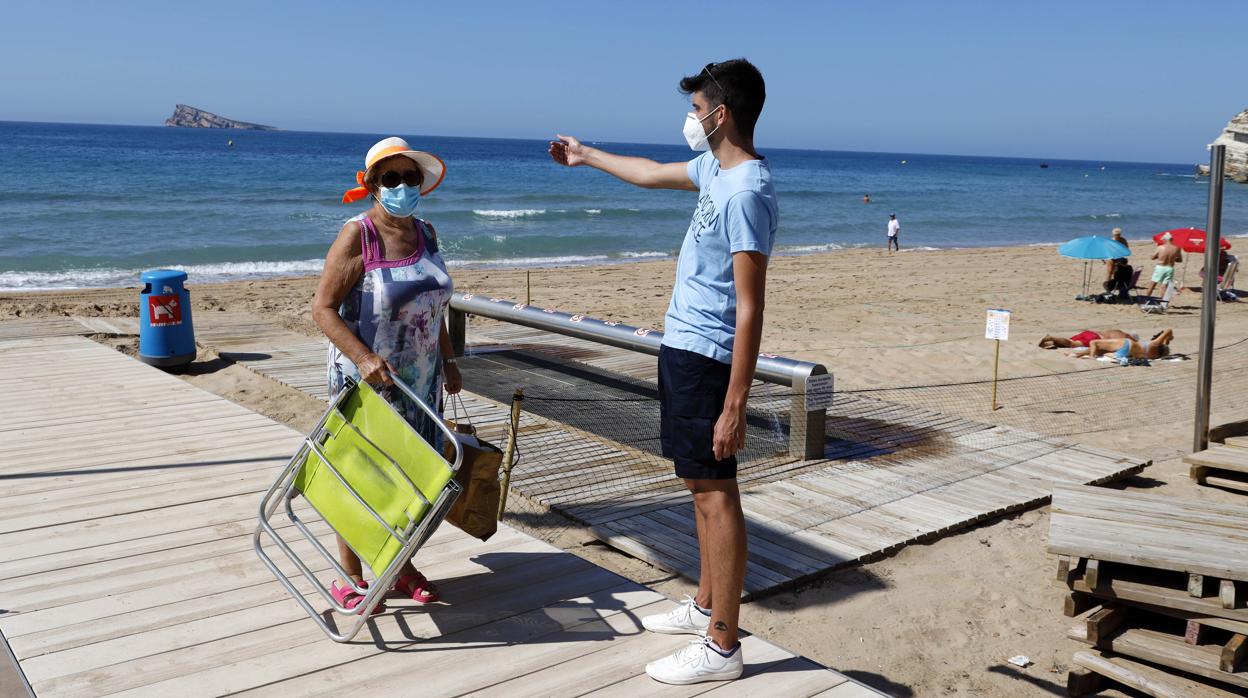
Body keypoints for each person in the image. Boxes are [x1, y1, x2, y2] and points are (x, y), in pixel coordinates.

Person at [549, 58, 775, 685]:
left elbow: (752, 307)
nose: (691, 119)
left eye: (697, 109)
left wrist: (734, 405)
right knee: (698, 487)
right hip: (683, 349)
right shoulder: (715, 170)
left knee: (715, 492)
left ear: (720, 114)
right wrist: (585, 155)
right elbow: (649, 173)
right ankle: (705, 603)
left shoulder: (747, 191)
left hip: (709, 359)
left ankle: (722, 645)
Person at [311, 136, 461, 613]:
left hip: (422, 382)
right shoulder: (359, 235)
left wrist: (450, 359)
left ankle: (398, 565)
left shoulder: (427, 232)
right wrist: (364, 358)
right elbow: (323, 309)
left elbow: (434, 307)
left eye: (409, 177)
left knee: (414, 481)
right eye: (390, 178)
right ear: (373, 185)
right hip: (370, 382)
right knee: (361, 476)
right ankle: (348, 574)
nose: (401, 185)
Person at [1070, 329, 1174, 360]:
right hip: (1126, 353)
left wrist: (1167, 339)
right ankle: (1080, 355)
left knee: (1094, 343)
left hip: (1127, 344)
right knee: (1104, 351)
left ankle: (1089, 356)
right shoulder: (1154, 356)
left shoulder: (1154, 343)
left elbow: (1169, 330)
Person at [1144, 232, 1182, 298]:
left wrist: (1158, 256)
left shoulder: (1160, 247)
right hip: (1170, 268)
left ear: (1165, 240)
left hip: (1160, 267)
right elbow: (1180, 260)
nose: (1162, 241)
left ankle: (1146, 298)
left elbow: (1152, 257)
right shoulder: (1177, 248)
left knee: (1153, 284)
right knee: (1164, 286)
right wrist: (1173, 258)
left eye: (1163, 240)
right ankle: (1162, 301)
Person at [1039, 329, 1134, 349]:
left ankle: (1051, 342)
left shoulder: (1117, 331)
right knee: (1071, 344)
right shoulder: (1126, 339)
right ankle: (1051, 338)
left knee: (1068, 342)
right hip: (1095, 338)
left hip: (1089, 332)